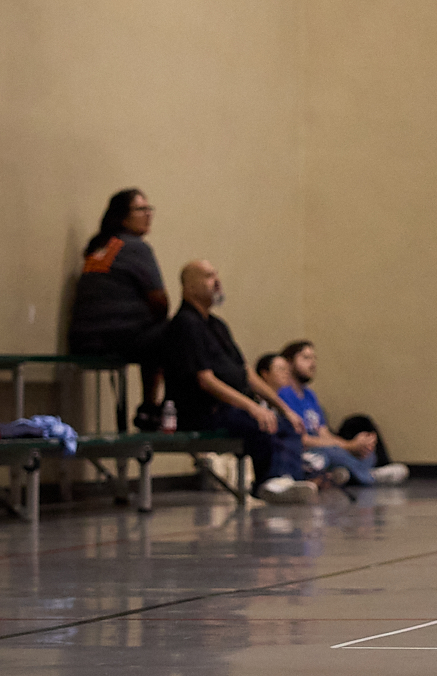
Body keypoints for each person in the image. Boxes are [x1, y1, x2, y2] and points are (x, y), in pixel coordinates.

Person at [163, 260, 314, 504]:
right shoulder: (185, 324)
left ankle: (286, 480)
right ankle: (269, 482)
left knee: (287, 424)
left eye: (216, 275)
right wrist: (252, 407)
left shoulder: (217, 326)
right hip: (205, 412)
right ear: (189, 287)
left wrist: (283, 407)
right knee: (259, 424)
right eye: (208, 276)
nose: (217, 281)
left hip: (231, 409)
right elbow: (206, 380)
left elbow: (247, 373)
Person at [67, 188, 169, 430]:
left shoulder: (99, 247)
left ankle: (150, 409)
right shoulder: (136, 247)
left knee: (157, 336)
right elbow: (160, 301)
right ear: (123, 217)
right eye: (141, 209)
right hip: (115, 339)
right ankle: (154, 407)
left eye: (149, 209)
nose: (148, 214)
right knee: (176, 332)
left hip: (82, 340)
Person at [278, 340, 409, 486]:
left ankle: (343, 474)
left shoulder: (310, 395)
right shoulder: (284, 394)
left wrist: (355, 446)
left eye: (314, 358)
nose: (312, 364)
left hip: (323, 446)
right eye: (306, 358)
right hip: (306, 450)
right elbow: (302, 439)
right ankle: (368, 476)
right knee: (327, 455)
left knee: (366, 453)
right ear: (289, 362)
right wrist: (349, 446)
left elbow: (324, 433)